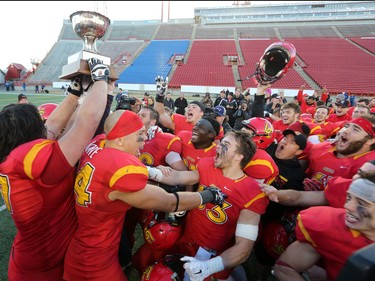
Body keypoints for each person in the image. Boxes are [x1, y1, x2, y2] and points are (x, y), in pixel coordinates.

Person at [63, 110, 226, 281]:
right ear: (120, 139)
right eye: (140, 135)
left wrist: (206, 173)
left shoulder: (101, 143)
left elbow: (169, 176)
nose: (145, 139)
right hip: (93, 260)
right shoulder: (120, 168)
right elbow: (169, 202)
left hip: (90, 244)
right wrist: (208, 196)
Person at [0, 58, 110, 281]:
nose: (46, 125)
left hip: (36, 257)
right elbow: (86, 123)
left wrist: (74, 92)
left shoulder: (15, 155)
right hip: (42, 267)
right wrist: (101, 80)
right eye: (39, 123)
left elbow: (52, 126)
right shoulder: (27, 160)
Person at [139, 131, 269, 280]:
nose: (217, 147)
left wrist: (208, 267)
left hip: (214, 253)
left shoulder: (252, 192)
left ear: (239, 156)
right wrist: (148, 170)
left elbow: (243, 248)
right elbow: (179, 177)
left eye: (225, 145)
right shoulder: (208, 165)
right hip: (187, 238)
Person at [274, 176, 375, 281]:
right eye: (348, 197)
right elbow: (284, 268)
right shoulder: (329, 226)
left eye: (362, 204)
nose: (347, 206)